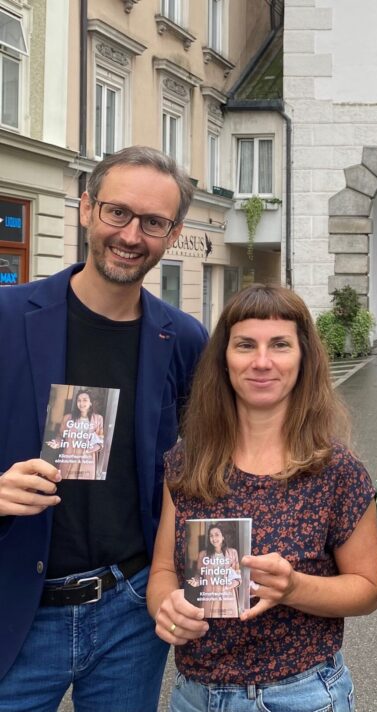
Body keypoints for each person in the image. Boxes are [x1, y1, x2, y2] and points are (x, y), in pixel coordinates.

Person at [0, 146, 207, 711]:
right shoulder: (7, 317)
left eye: (154, 222)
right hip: (18, 603)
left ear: (173, 233)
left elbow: (207, 462)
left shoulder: (184, 340)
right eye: (118, 212)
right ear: (87, 208)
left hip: (128, 613)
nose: (132, 235)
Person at [147, 284, 377, 712]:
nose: (261, 362)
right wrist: (167, 606)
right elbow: (164, 569)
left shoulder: (335, 469)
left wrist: (294, 587)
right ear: (223, 358)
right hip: (196, 695)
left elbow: (367, 590)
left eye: (279, 345)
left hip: (302, 694)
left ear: (303, 357)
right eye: (245, 345)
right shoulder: (188, 461)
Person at [45, 389, 105, 480]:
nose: (81, 403)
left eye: (85, 400)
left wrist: (90, 449)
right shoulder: (67, 418)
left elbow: (100, 441)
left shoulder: (98, 419)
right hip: (69, 458)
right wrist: (57, 443)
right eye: (79, 400)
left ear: (91, 402)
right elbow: (61, 436)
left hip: (87, 460)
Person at [186, 524, 242, 618]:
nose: (214, 538)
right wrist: (196, 581)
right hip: (209, 595)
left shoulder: (233, 553)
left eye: (216, 535)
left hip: (228, 595)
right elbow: (199, 574)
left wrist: (232, 584)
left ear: (223, 536)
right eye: (211, 536)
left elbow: (237, 575)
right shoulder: (203, 554)